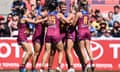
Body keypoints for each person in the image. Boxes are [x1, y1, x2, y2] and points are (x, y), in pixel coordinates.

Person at [40, 0, 69, 72]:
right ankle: (59, 66)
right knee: (61, 50)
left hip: (48, 34)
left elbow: (43, 22)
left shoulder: (48, 14)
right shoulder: (59, 14)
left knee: (47, 51)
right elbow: (67, 21)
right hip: (56, 34)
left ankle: (42, 68)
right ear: (56, 7)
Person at [74, 0, 94, 72]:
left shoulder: (78, 13)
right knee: (88, 48)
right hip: (87, 31)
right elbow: (89, 24)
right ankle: (92, 62)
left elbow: (74, 24)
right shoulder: (87, 14)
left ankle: (87, 63)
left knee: (82, 48)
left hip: (81, 31)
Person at [17, 8, 38, 72]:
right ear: (25, 12)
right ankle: (22, 66)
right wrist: (45, 19)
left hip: (23, 36)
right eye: (28, 10)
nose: (29, 11)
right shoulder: (24, 18)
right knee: (29, 52)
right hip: (22, 36)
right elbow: (35, 22)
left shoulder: (24, 18)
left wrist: (27, 31)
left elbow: (23, 27)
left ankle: (23, 67)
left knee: (30, 52)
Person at [31, 7, 48, 72]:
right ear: (44, 11)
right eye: (47, 12)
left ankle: (34, 67)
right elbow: (35, 22)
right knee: (36, 53)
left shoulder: (43, 18)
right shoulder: (39, 17)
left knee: (38, 53)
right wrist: (44, 19)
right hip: (37, 36)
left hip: (41, 37)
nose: (47, 14)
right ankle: (33, 68)